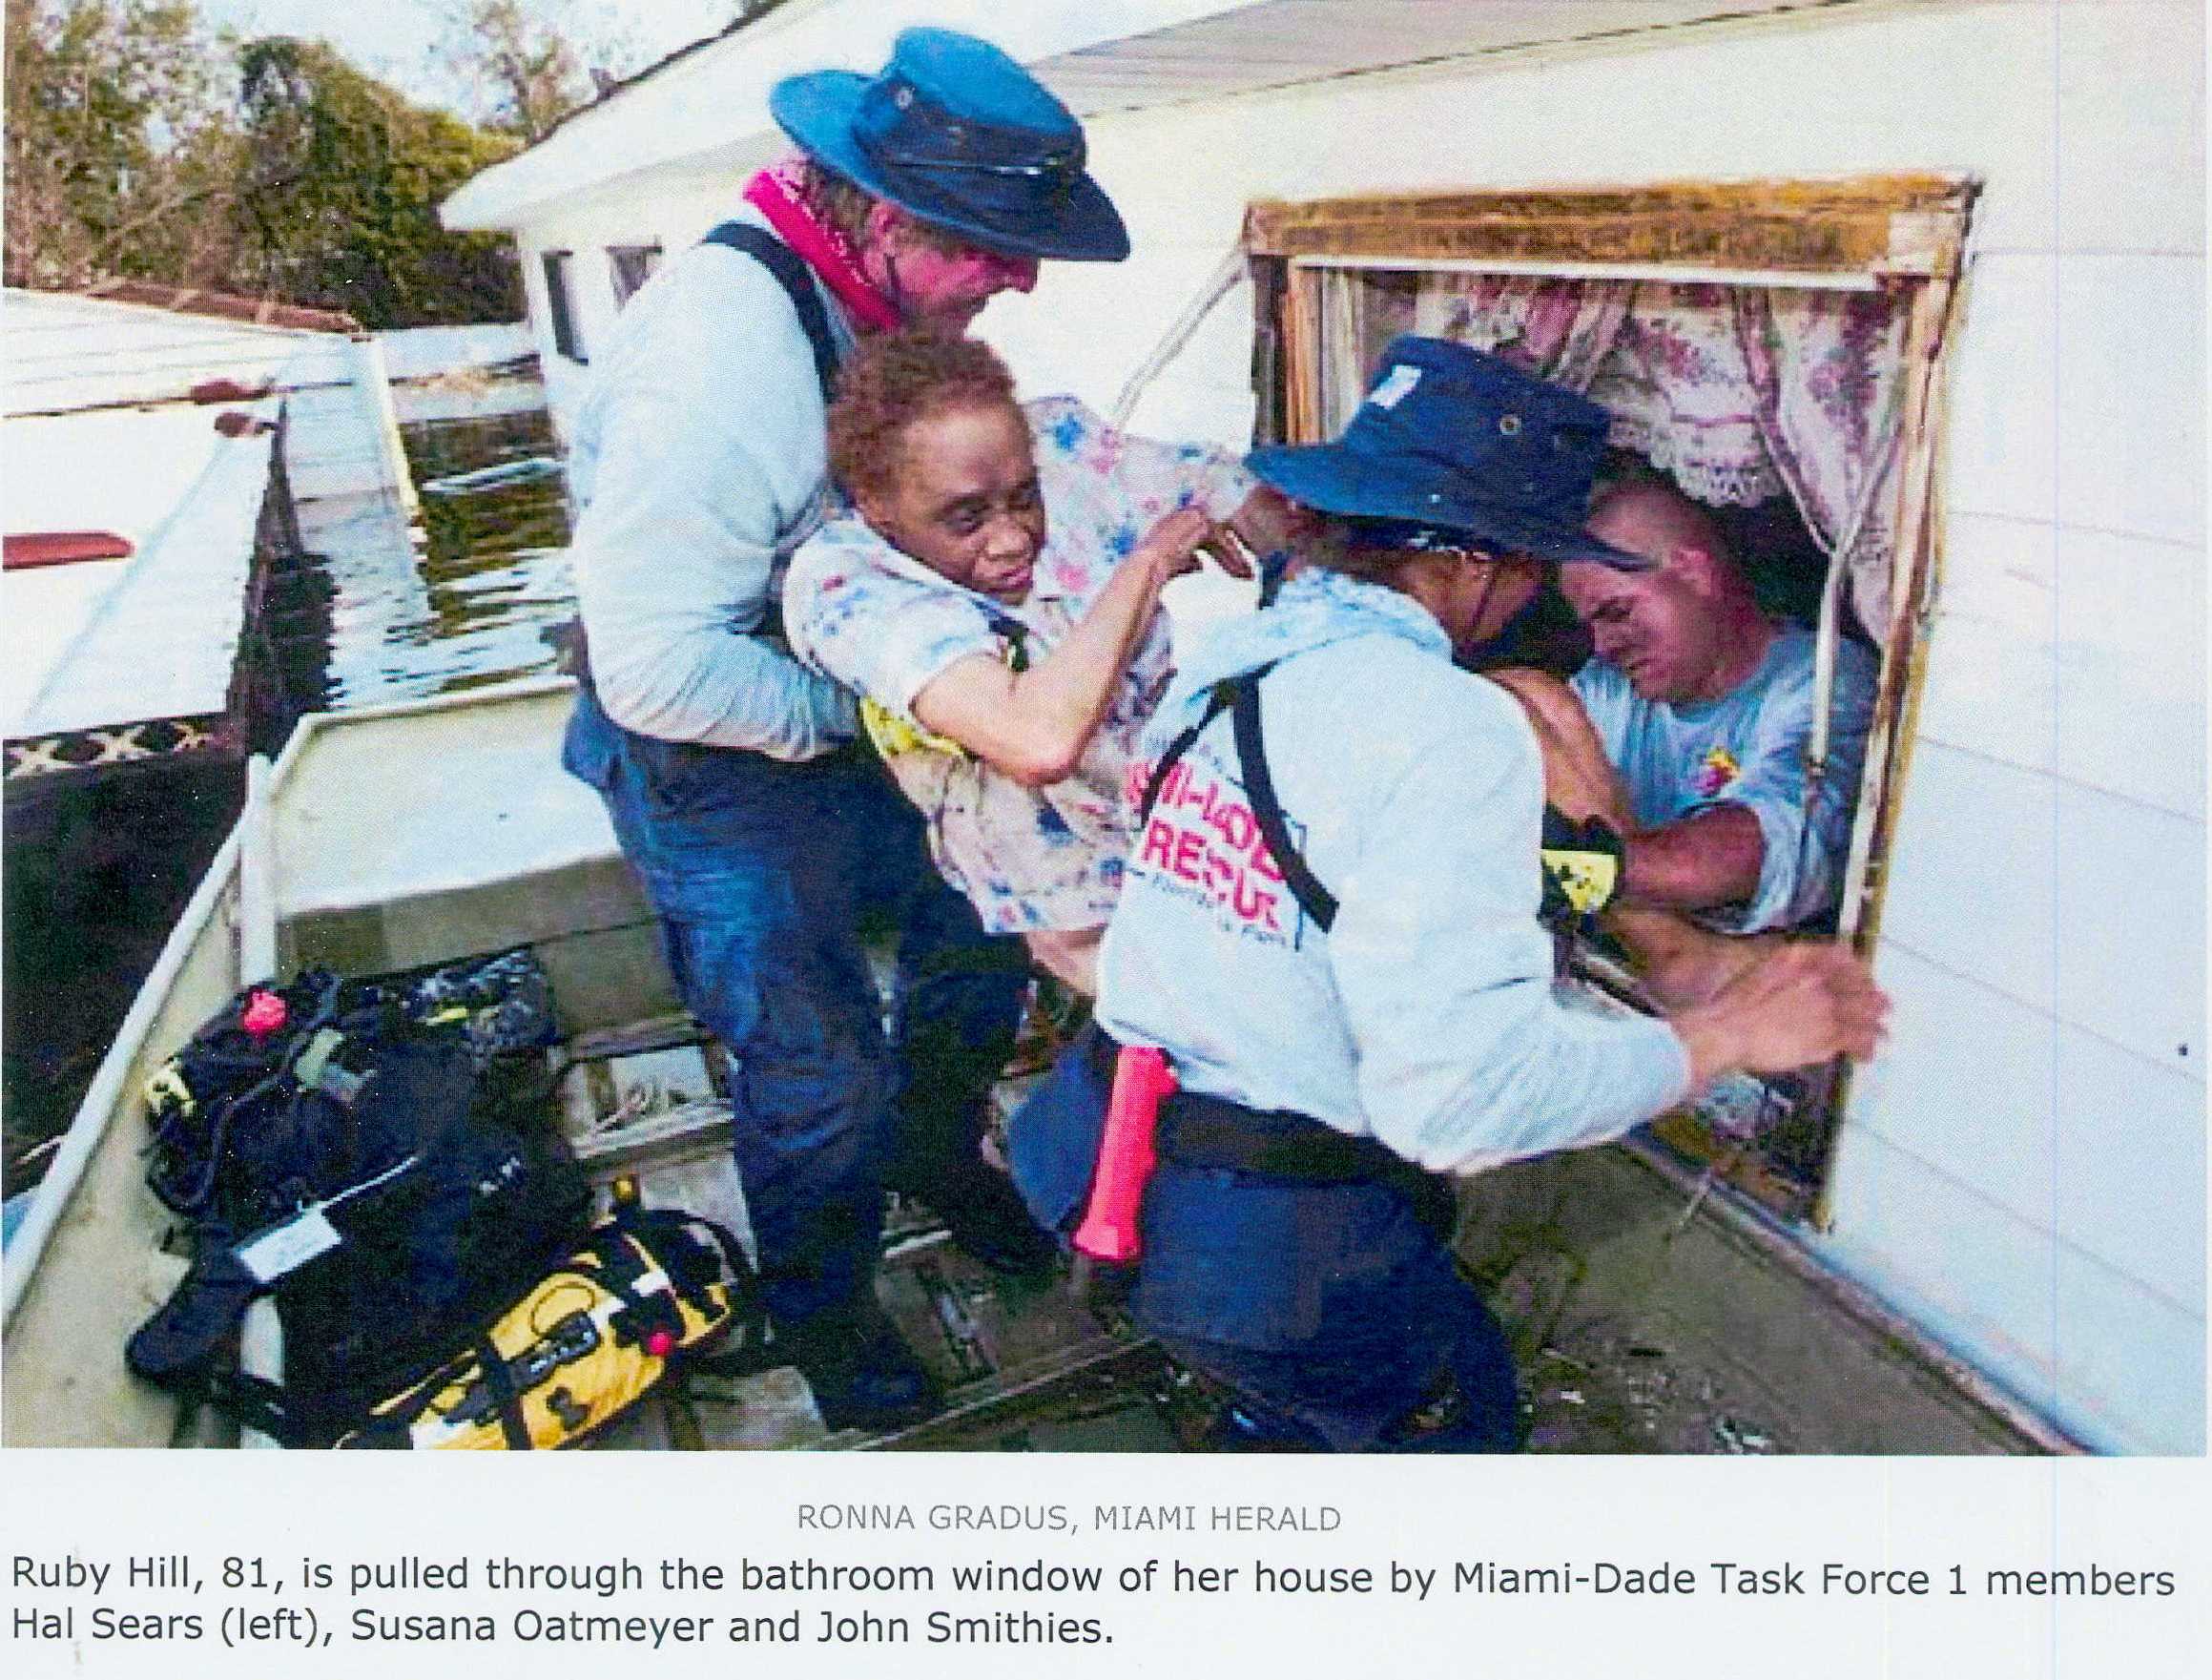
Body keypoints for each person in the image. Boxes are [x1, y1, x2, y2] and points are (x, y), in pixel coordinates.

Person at [1013, 337, 1889, 1451]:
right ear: (1477, 564)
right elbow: (1463, 1106)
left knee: (1294, 1406)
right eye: (1532, 567)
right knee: (1454, 1424)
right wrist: (1723, 1036)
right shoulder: (1450, 727)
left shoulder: (1232, 665)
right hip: (1254, 1241)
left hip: (1090, 1147)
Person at [556, 30, 1129, 1430]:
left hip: (853, 698)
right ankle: (823, 1311)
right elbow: (655, 672)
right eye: (993, 246)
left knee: (982, 929)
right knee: (815, 1073)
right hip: (707, 735)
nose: (1020, 280)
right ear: (882, 221)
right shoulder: (724, 361)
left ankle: (937, 1150)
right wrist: (895, 714)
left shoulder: (866, 298)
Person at [785, 330, 1281, 998]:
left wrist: (1305, 579)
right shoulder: (844, 586)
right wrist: (1149, 565)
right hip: (1081, 916)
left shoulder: (1052, 445)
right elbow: (1038, 740)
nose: (1012, 538)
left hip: (1198, 835)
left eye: (1024, 499)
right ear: (877, 504)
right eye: (966, 518)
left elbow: (1219, 482)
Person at [1556, 479, 1880, 935]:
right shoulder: (1608, 690)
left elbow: (1760, 852)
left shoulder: (1826, 679)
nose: (1603, 646)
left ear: (1694, 573)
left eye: (1617, 612)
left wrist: (1570, 869)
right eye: (1590, 625)